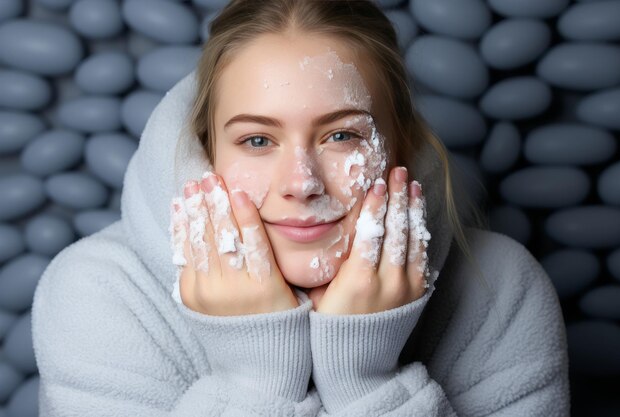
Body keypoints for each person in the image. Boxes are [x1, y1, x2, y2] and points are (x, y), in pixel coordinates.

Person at [32, 0, 570, 415]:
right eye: (258, 142)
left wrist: (366, 380)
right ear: (207, 152)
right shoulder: (99, 295)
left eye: (341, 135)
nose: (302, 183)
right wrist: (254, 376)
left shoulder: (500, 289)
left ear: (403, 146)